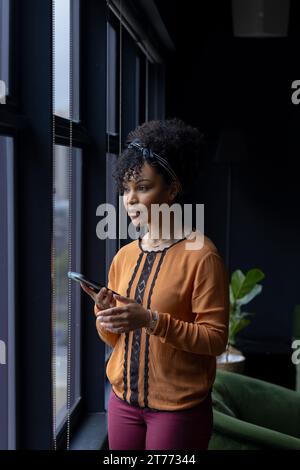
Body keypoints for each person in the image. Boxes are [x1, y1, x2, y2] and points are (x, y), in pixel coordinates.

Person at [80, 118, 229, 450]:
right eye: (125, 189)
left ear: (172, 189)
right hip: (122, 403)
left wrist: (151, 319)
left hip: (178, 412)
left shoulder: (202, 256)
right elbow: (113, 339)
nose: (130, 199)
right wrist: (105, 316)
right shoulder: (125, 256)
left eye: (143, 187)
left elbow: (216, 340)